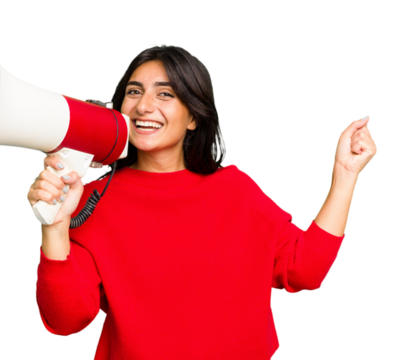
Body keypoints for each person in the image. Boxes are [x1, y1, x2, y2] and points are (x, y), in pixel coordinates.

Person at [27, 42, 378, 359]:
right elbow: (67, 321)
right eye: (134, 92)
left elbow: (305, 271)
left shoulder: (236, 189)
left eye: (165, 94)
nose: (144, 105)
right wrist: (55, 227)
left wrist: (345, 174)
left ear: (194, 116)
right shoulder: (88, 200)